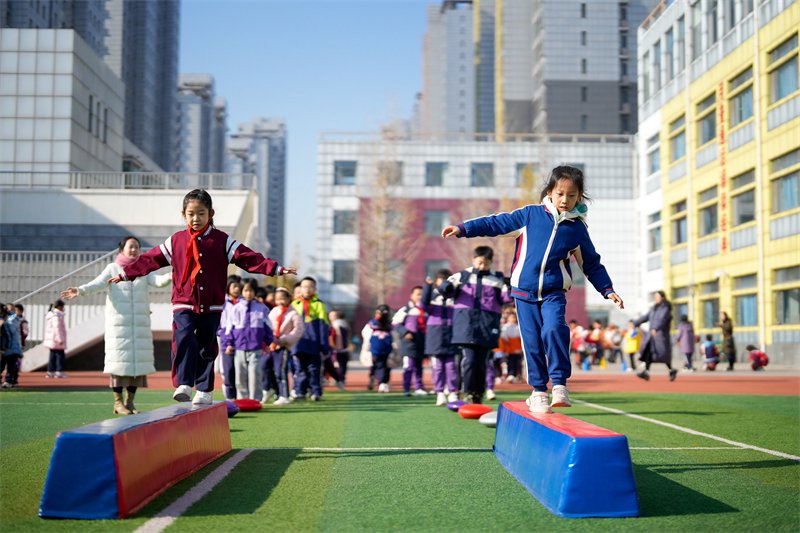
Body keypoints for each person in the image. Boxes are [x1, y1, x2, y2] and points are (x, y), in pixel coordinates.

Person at [442, 165, 623, 412]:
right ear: (550, 192)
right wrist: (464, 229)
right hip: (523, 293)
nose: (565, 200)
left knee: (554, 329)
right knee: (532, 342)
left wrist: (607, 289)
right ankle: (538, 391)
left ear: (579, 196)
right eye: (560, 194)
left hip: (553, 292)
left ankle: (559, 384)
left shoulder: (577, 229)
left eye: (571, 195)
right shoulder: (529, 215)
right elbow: (496, 223)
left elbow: (591, 263)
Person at [109, 189, 295, 405]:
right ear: (184, 214)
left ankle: (204, 389)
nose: (195, 219)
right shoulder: (176, 241)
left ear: (210, 214)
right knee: (184, 337)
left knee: (207, 345)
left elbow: (247, 257)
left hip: (212, 304)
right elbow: (151, 259)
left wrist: (275, 268)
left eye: (201, 213)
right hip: (184, 301)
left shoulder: (222, 240)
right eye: (191, 214)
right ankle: (184, 383)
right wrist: (126, 273)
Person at [61, 236, 171, 414]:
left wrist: (172, 275)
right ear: (121, 250)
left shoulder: (144, 269)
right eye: (130, 246)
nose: (134, 250)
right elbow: (97, 284)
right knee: (119, 364)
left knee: (137, 366)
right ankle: (118, 402)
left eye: (137, 247)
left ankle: (130, 402)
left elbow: (158, 282)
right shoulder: (112, 268)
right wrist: (80, 290)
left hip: (139, 326)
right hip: (119, 325)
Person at [437, 245, 511, 404]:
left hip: (487, 325)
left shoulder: (497, 278)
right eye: (479, 262)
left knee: (482, 362)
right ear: (473, 260)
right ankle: (469, 392)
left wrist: (510, 286)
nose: (482, 266)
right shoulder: (462, 276)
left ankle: (479, 394)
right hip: (466, 326)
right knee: (469, 360)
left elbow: (507, 299)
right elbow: (445, 291)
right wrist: (446, 286)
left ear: (491, 262)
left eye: (486, 263)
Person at [222, 278, 274, 401]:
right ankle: (242, 399)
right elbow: (229, 327)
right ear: (242, 291)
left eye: (251, 290)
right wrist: (229, 343)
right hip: (239, 347)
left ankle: (255, 399)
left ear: (255, 291)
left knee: (255, 373)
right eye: (245, 290)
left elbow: (268, 327)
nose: (248, 293)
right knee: (240, 374)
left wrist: (268, 342)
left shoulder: (262, 308)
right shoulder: (236, 308)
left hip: (256, 347)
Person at [422, 270, 460, 406]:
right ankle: (439, 392)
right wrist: (428, 286)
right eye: (441, 279)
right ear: (436, 281)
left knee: (451, 366)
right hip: (436, 333)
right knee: (438, 366)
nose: (443, 282)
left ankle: (453, 391)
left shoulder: (455, 295)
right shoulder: (432, 295)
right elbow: (423, 304)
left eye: (446, 279)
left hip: (452, 332)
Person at [290, 277, 330, 401]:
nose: (307, 289)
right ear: (300, 289)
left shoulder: (319, 304)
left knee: (314, 369)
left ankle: (315, 392)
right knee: (299, 369)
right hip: (298, 343)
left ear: (315, 289)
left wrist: (324, 345)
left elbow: (323, 325)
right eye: (304, 287)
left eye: (310, 287)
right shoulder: (294, 304)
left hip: (314, 343)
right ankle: (300, 391)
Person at [267, 287, 304, 405]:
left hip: (283, 346)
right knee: (266, 368)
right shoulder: (274, 311)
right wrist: (269, 338)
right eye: (277, 299)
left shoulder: (293, 313)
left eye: (283, 298)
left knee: (280, 371)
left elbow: (298, 330)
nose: (280, 301)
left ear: (289, 299)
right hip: (271, 345)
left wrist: (284, 340)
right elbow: (268, 325)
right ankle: (276, 392)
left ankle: (284, 395)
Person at [392, 286, 428, 397]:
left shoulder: (426, 309)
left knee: (419, 367)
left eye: (422, 294)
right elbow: (395, 323)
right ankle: (406, 388)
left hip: (421, 341)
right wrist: (405, 332)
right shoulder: (405, 309)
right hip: (409, 343)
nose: (420, 296)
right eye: (417, 294)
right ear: (411, 295)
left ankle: (418, 387)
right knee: (409, 366)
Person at [634, 290, 676, 381]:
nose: (656, 298)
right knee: (648, 352)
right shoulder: (654, 308)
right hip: (651, 336)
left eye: (658, 297)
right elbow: (646, 317)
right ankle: (646, 372)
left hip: (660, 335)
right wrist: (636, 322)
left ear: (663, 297)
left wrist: (656, 328)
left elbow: (662, 320)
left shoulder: (665, 309)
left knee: (663, 354)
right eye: (655, 297)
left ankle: (671, 370)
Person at [217, 276, 242, 400]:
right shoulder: (223, 304)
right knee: (228, 369)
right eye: (234, 286)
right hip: (226, 341)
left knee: (240, 370)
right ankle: (230, 398)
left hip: (241, 341)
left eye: (239, 286)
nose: (237, 289)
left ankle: (242, 398)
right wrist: (223, 337)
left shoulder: (243, 303)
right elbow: (219, 323)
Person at [364, 304, 393, 392]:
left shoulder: (388, 324)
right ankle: (381, 382)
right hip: (377, 348)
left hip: (383, 347)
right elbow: (366, 334)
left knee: (382, 365)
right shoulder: (373, 323)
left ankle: (382, 381)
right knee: (379, 365)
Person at [1, 304, 24, 388]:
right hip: (6, 347)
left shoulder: (12, 319)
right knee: (2, 365)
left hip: (11, 348)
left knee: (11, 365)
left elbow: (9, 332)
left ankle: (9, 381)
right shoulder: (7, 319)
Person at [44, 300, 67, 378]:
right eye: (63, 307)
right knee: (60, 356)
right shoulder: (57, 315)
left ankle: (50, 371)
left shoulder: (52, 314)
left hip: (52, 339)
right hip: (56, 339)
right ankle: (59, 371)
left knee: (52, 356)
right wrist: (60, 339)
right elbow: (57, 327)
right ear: (60, 307)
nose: (64, 309)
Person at [499, 308, 523, 383]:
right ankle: (511, 374)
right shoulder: (505, 327)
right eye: (511, 318)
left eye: (514, 318)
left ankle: (518, 375)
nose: (513, 319)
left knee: (518, 362)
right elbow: (504, 337)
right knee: (510, 361)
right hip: (509, 348)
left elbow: (520, 338)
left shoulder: (518, 327)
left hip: (517, 348)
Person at [328, 309, 351, 387]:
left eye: (333, 315)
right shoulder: (345, 324)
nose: (331, 317)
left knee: (338, 364)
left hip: (338, 348)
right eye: (330, 315)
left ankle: (339, 379)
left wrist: (337, 347)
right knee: (342, 364)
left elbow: (338, 336)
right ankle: (340, 379)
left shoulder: (336, 324)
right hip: (344, 348)